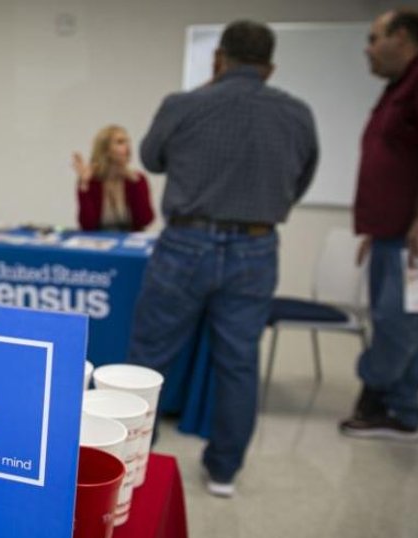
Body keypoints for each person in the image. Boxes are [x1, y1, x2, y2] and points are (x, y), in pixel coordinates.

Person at [126, 21, 319, 497]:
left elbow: (150, 158)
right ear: (270, 68)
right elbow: (302, 178)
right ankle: (224, 472)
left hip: (185, 244)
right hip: (257, 247)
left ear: (218, 58)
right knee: (238, 361)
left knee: (150, 357)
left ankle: (130, 460)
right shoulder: (296, 113)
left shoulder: (184, 105)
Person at [340, 9, 418, 441]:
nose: (367, 48)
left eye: (374, 37)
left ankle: (383, 396)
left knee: (401, 320)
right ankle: (402, 411)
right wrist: (376, 229)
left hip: (415, 234)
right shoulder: (401, 85)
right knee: (410, 316)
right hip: (392, 231)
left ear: (402, 37)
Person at [73, 125, 154, 231]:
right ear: (105, 149)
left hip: (129, 239)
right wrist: (84, 185)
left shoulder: (137, 179)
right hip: (100, 240)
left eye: (127, 142)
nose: (127, 147)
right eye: (120, 142)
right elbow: (87, 225)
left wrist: (136, 184)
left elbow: (145, 220)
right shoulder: (91, 180)